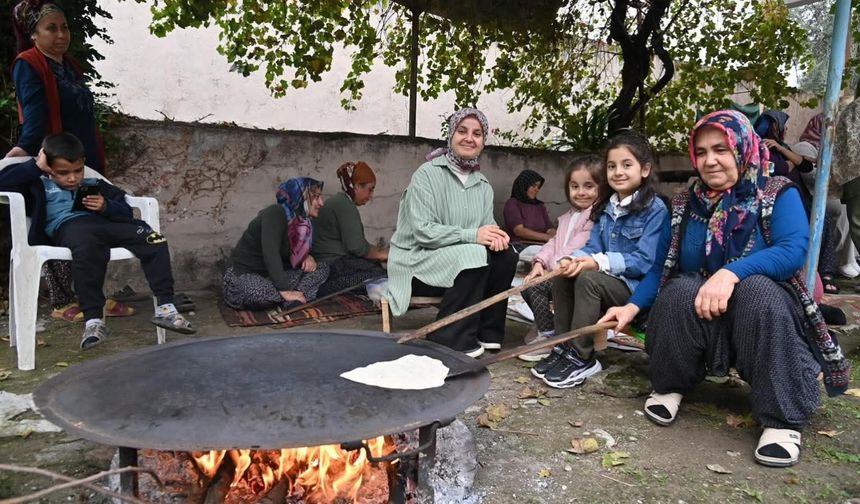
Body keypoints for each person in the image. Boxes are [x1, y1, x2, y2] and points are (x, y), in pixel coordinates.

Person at [601, 110, 850, 468]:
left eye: (721, 149)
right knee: (680, 288)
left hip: (763, 314)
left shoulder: (777, 192)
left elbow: (792, 250)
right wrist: (631, 307)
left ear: (743, 147)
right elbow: (660, 268)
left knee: (757, 289)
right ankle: (671, 385)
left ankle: (781, 419)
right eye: (701, 152)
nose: (710, 160)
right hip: (704, 311)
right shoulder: (685, 203)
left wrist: (731, 273)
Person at [0, 133, 195, 349]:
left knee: (154, 239)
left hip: (106, 225)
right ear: (48, 166)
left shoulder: (94, 184)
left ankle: (166, 308)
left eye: (78, 170)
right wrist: (36, 166)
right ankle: (93, 321)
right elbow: (3, 182)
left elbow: (126, 210)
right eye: (63, 173)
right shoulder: (38, 185)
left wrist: (106, 206)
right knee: (88, 249)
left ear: (83, 164)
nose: (72, 178)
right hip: (71, 229)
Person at [8, 1, 131, 322]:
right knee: (60, 222)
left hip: (85, 156)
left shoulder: (71, 66)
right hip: (56, 158)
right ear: (34, 34)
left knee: (91, 221)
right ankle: (62, 300)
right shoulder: (28, 64)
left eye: (64, 27)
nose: (61, 34)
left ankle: (93, 295)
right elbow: (34, 114)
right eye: (51, 28)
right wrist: (26, 151)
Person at [532, 132, 669, 389]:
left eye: (626, 165)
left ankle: (581, 356)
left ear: (645, 169)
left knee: (588, 281)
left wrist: (597, 263)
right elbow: (593, 246)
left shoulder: (655, 209)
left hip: (635, 292)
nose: (618, 172)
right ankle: (563, 345)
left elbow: (644, 261)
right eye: (612, 166)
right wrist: (572, 259)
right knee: (565, 275)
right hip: (607, 281)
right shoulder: (606, 207)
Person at [386, 107, 518, 358]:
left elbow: (486, 229)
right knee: (472, 254)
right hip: (418, 262)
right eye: (462, 131)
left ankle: (488, 331)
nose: (469, 138)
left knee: (506, 255)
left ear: (483, 142)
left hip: (461, 267)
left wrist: (498, 237)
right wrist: (473, 236)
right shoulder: (426, 175)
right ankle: (449, 336)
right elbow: (424, 232)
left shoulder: (483, 185)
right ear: (451, 135)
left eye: (477, 134)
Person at [517, 156, 602, 362]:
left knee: (536, 286)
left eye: (589, 186)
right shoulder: (569, 216)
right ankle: (546, 325)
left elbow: (577, 247)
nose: (581, 192)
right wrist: (539, 263)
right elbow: (554, 243)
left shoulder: (596, 217)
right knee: (528, 283)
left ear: (602, 187)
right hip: (559, 271)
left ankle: (549, 338)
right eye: (574, 186)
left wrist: (551, 268)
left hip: (575, 274)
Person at [223, 177, 329, 310]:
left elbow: (294, 256)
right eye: (315, 197)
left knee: (322, 268)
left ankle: (293, 297)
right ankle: (292, 296)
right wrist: (285, 290)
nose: (321, 203)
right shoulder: (275, 213)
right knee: (257, 291)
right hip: (244, 276)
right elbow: (271, 254)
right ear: (299, 197)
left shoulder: (303, 224)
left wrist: (307, 256)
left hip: (273, 278)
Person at [312, 161, 387, 296]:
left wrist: (381, 254)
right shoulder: (344, 204)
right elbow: (357, 247)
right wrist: (385, 254)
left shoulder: (340, 202)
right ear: (356, 186)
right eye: (370, 189)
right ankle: (326, 289)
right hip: (331, 265)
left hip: (328, 263)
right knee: (382, 277)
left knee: (376, 268)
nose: (371, 196)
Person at [503, 169, 555, 249]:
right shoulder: (512, 203)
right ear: (523, 185)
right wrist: (547, 237)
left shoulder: (540, 206)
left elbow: (549, 228)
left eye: (538, 187)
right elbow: (519, 231)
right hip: (520, 246)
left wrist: (555, 236)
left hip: (543, 246)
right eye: (533, 186)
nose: (537, 189)